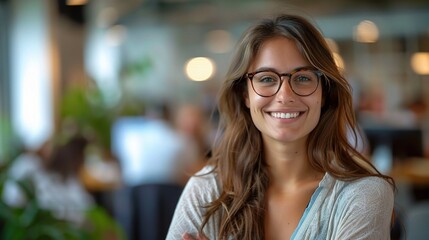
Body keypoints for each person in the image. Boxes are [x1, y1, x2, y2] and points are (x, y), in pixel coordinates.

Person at [166, 13, 395, 240]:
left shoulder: (363, 193)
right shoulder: (207, 190)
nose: (285, 96)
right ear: (245, 94)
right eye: (266, 78)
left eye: (303, 78)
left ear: (324, 93)